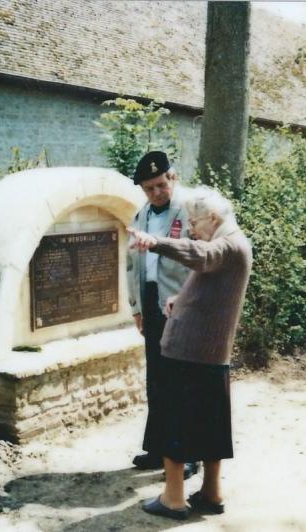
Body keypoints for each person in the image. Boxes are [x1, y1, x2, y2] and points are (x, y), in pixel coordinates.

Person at [127, 186, 252, 521]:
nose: (192, 228)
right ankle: (211, 492)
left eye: (195, 222)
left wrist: (156, 242)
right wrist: (178, 301)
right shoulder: (233, 243)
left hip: (189, 351)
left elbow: (201, 256)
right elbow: (210, 285)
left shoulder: (226, 244)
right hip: (211, 352)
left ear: (213, 218)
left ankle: (173, 499)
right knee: (211, 425)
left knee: (175, 422)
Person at [126, 151, 199, 480]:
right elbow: (132, 265)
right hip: (152, 302)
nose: (156, 192)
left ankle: (187, 453)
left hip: (182, 304)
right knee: (157, 380)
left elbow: (202, 260)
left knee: (183, 381)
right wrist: (137, 308)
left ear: (173, 177)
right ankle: (158, 448)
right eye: (148, 188)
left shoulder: (192, 211)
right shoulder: (141, 215)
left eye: (160, 184)